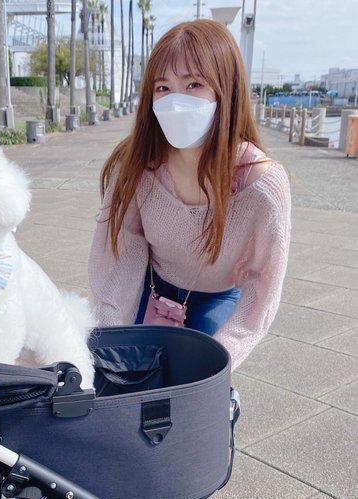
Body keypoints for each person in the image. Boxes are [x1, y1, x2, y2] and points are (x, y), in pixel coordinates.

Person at [88, 19, 291, 370]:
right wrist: (111, 341)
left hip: (218, 296)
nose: (175, 102)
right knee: (127, 370)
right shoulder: (135, 164)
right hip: (151, 284)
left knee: (196, 371)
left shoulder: (262, 185)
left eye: (193, 84)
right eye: (163, 87)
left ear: (225, 90)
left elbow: (261, 289)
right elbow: (120, 254)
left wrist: (219, 364)